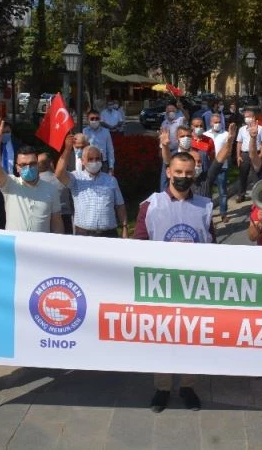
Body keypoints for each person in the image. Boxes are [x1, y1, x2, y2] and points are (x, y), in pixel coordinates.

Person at [133, 152, 213, 413]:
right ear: (168, 172)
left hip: (195, 286)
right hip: (161, 285)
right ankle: (163, 388)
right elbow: (139, 245)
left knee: (193, 338)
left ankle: (188, 386)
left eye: (188, 173)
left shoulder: (205, 206)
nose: (183, 177)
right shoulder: (151, 205)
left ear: (195, 174)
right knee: (162, 339)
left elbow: (213, 245)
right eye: (178, 172)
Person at [0, 118, 63, 234]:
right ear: (17, 168)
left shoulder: (51, 189)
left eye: (32, 164)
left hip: (40, 244)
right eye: (23, 165)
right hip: (14, 244)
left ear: (38, 165)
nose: (28, 167)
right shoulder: (10, 185)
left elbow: (57, 223)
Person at [56, 136, 127, 238]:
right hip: (84, 234)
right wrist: (67, 149)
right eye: (90, 159)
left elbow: (120, 205)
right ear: (83, 161)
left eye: (97, 159)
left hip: (109, 234)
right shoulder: (76, 178)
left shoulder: (111, 180)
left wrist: (124, 227)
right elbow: (59, 174)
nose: (94, 162)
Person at [203, 116, 233, 221]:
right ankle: (208, 214)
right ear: (211, 123)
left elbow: (229, 150)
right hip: (209, 168)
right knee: (207, 192)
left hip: (222, 167)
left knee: (222, 191)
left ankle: (223, 214)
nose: (218, 124)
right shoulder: (205, 135)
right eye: (215, 122)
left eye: (219, 122)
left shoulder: (226, 134)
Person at [235, 110, 262, 202]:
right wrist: (238, 155)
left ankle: (258, 196)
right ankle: (241, 195)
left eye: (249, 116)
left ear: (254, 117)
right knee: (242, 175)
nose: (247, 118)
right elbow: (239, 143)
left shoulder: (260, 128)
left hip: (256, 154)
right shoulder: (241, 129)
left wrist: (261, 154)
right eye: (245, 117)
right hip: (244, 154)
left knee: (256, 176)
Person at [83, 110, 115, 174]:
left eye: (97, 118)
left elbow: (110, 150)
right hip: (89, 162)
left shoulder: (106, 131)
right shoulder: (84, 131)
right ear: (88, 120)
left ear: (100, 119)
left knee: (105, 180)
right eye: (92, 119)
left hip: (103, 163)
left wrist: (111, 167)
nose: (94, 120)